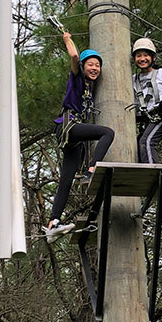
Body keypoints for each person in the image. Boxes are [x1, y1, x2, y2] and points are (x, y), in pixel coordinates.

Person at [44, 31, 115, 243]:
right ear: (83, 66)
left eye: (97, 66)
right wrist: (67, 39)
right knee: (107, 133)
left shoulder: (89, 88)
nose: (94, 68)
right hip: (68, 125)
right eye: (91, 64)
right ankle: (92, 169)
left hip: (74, 138)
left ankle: (52, 224)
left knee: (65, 180)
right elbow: (74, 58)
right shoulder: (76, 79)